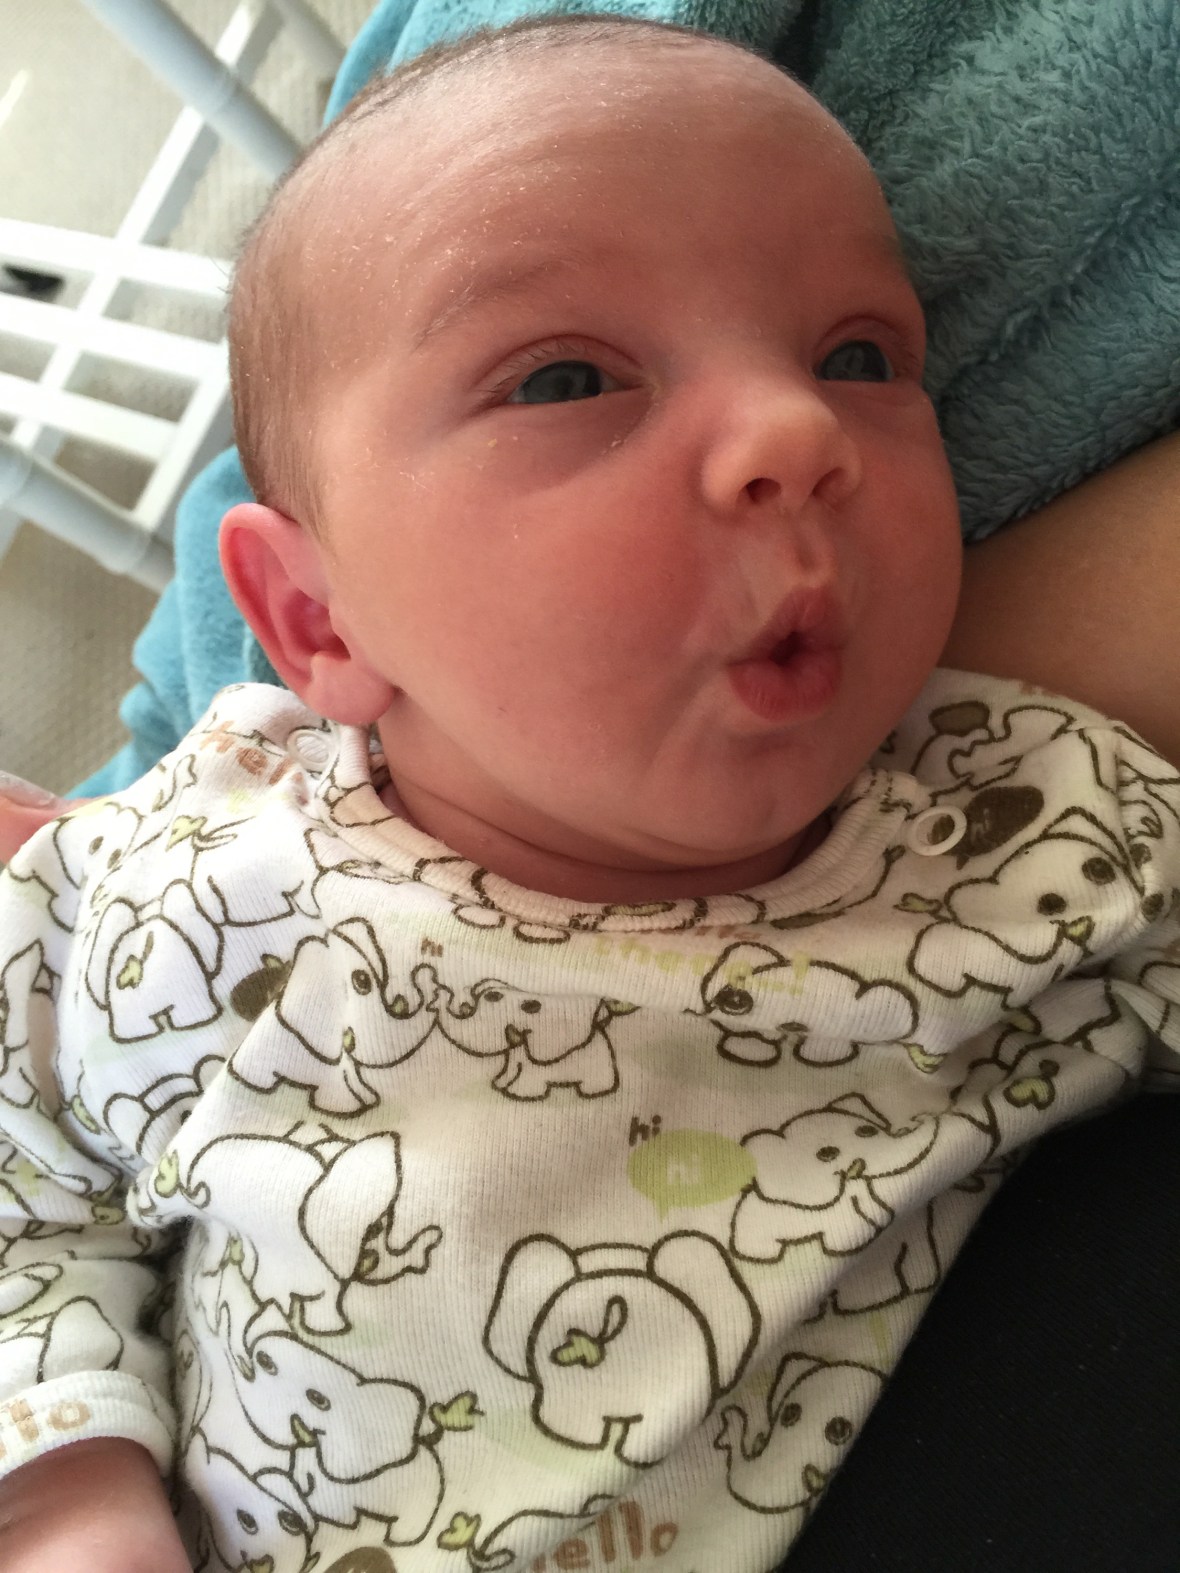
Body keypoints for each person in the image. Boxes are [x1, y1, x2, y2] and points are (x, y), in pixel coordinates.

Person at [0, 18, 1176, 1573]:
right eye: (567, 378)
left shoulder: (1036, 834)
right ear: (314, 620)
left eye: (859, 358)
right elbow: (26, 1176)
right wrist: (65, 1489)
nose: (800, 432)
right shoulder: (199, 876)